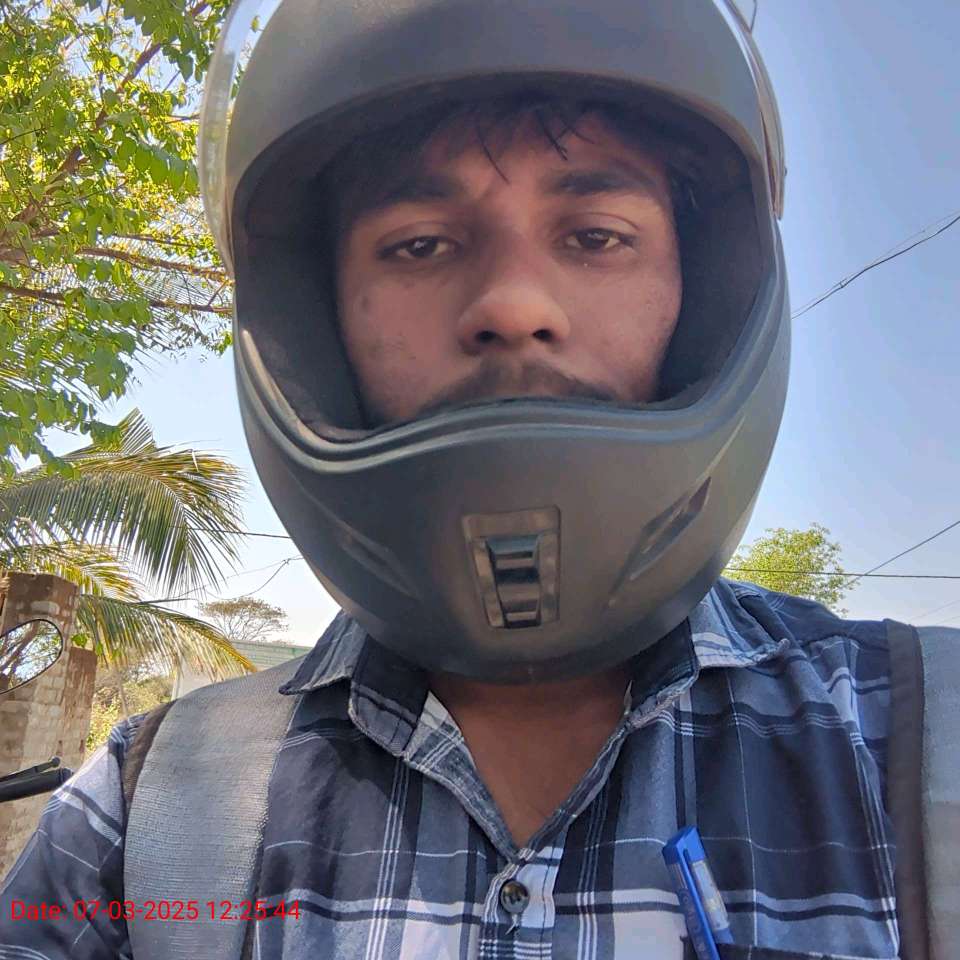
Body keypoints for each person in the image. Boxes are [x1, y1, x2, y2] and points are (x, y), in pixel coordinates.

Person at [0, 0, 929, 957]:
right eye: (420, 244)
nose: (513, 303)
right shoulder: (141, 821)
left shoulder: (929, 750)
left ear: (707, 291)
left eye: (596, 235)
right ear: (317, 320)